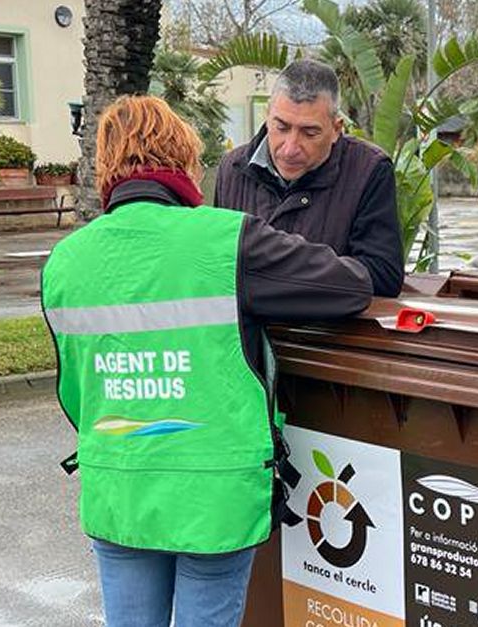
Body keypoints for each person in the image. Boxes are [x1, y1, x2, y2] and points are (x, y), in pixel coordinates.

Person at [41, 95, 373, 627]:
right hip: (213, 494)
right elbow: (352, 285)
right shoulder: (227, 240)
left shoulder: (65, 261)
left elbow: (74, 392)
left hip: (118, 484)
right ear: (182, 159)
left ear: (104, 165)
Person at [215, 59, 404, 297]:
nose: (290, 148)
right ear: (267, 115)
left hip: (327, 332)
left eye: (310, 133)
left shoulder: (369, 170)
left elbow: (383, 276)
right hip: (246, 333)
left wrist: (278, 262)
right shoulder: (232, 169)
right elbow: (218, 266)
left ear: (337, 129)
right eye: (281, 127)